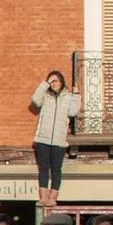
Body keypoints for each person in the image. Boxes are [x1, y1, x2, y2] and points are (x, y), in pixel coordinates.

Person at [29, 70, 80, 212]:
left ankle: (53, 197)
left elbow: (73, 112)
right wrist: (45, 84)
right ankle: (43, 197)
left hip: (59, 140)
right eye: (51, 81)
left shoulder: (68, 97)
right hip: (42, 139)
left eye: (56, 80)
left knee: (56, 169)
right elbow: (35, 100)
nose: (53, 83)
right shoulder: (46, 96)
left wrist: (77, 95)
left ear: (61, 81)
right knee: (43, 168)